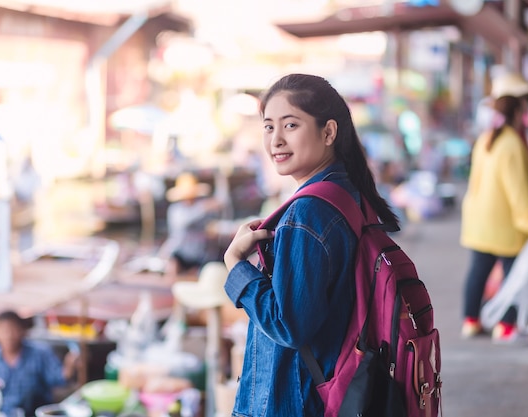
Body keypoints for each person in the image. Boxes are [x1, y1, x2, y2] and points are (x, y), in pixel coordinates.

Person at [222, 74, 398, 416]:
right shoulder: (345, 194)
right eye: (269, 127)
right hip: (325, 388)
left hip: (294, 399)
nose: (276, 140)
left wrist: (236, 265)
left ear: (329, 132)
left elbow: (288, 325)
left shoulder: (308, 213)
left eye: (290, 125)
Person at [460, 72, 528, 343]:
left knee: (478, 271)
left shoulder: (488, 139)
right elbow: (518, 194)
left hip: (479, 222)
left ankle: (471, 321)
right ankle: (506, 326)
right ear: (519, 107)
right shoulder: (512, 144)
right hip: (506, 226)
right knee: (514, 278)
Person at [0, 310, 79, 417]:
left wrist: (70, 365)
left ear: (22, 331)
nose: (9, 335)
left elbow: (59, 379)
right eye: (4, 330)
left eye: (13, 329)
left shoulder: (41, 353)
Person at [158, 172, 223, 277]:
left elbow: (214, 224)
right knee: (172, 264)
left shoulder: (204, 209)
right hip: (180, 253)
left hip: (200, 255)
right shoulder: (176, 210)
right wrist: (203, 208)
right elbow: (183, 223)